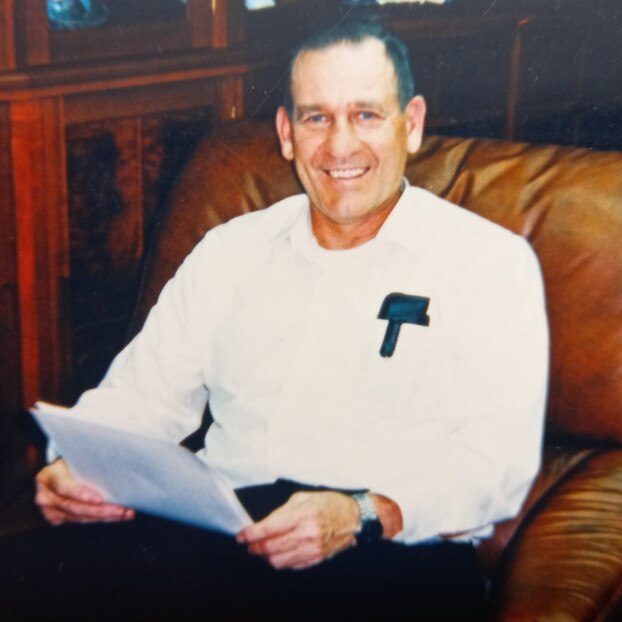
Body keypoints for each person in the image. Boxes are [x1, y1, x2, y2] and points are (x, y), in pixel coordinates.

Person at [1, 19, 548, 620]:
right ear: (286, 133)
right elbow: (139, 398)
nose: (340, 146)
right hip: (223, 534)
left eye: (366, 114)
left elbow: (494, 467)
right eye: (316, 118)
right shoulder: (231, 250)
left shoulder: (489, 263)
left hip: (386, 552)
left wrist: (363, 513)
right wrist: (74, 467)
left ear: (410, 124)